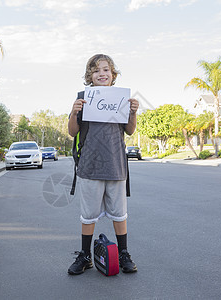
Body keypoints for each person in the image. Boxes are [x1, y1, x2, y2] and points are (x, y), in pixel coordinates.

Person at [67, 54, 139, 275]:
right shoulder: (83, 98)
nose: (102, 74)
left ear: (113, 75)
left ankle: (124, 253)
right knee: (88, 215)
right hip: (89, 165)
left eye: (106, 70)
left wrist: (133, 112)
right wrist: (74, 112)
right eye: (97, 70)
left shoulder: (121, 99)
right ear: (90, 75)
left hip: (116, 164)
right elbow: (72, 132)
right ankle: (85, 255)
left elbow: (129, 130)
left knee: (119, 214)